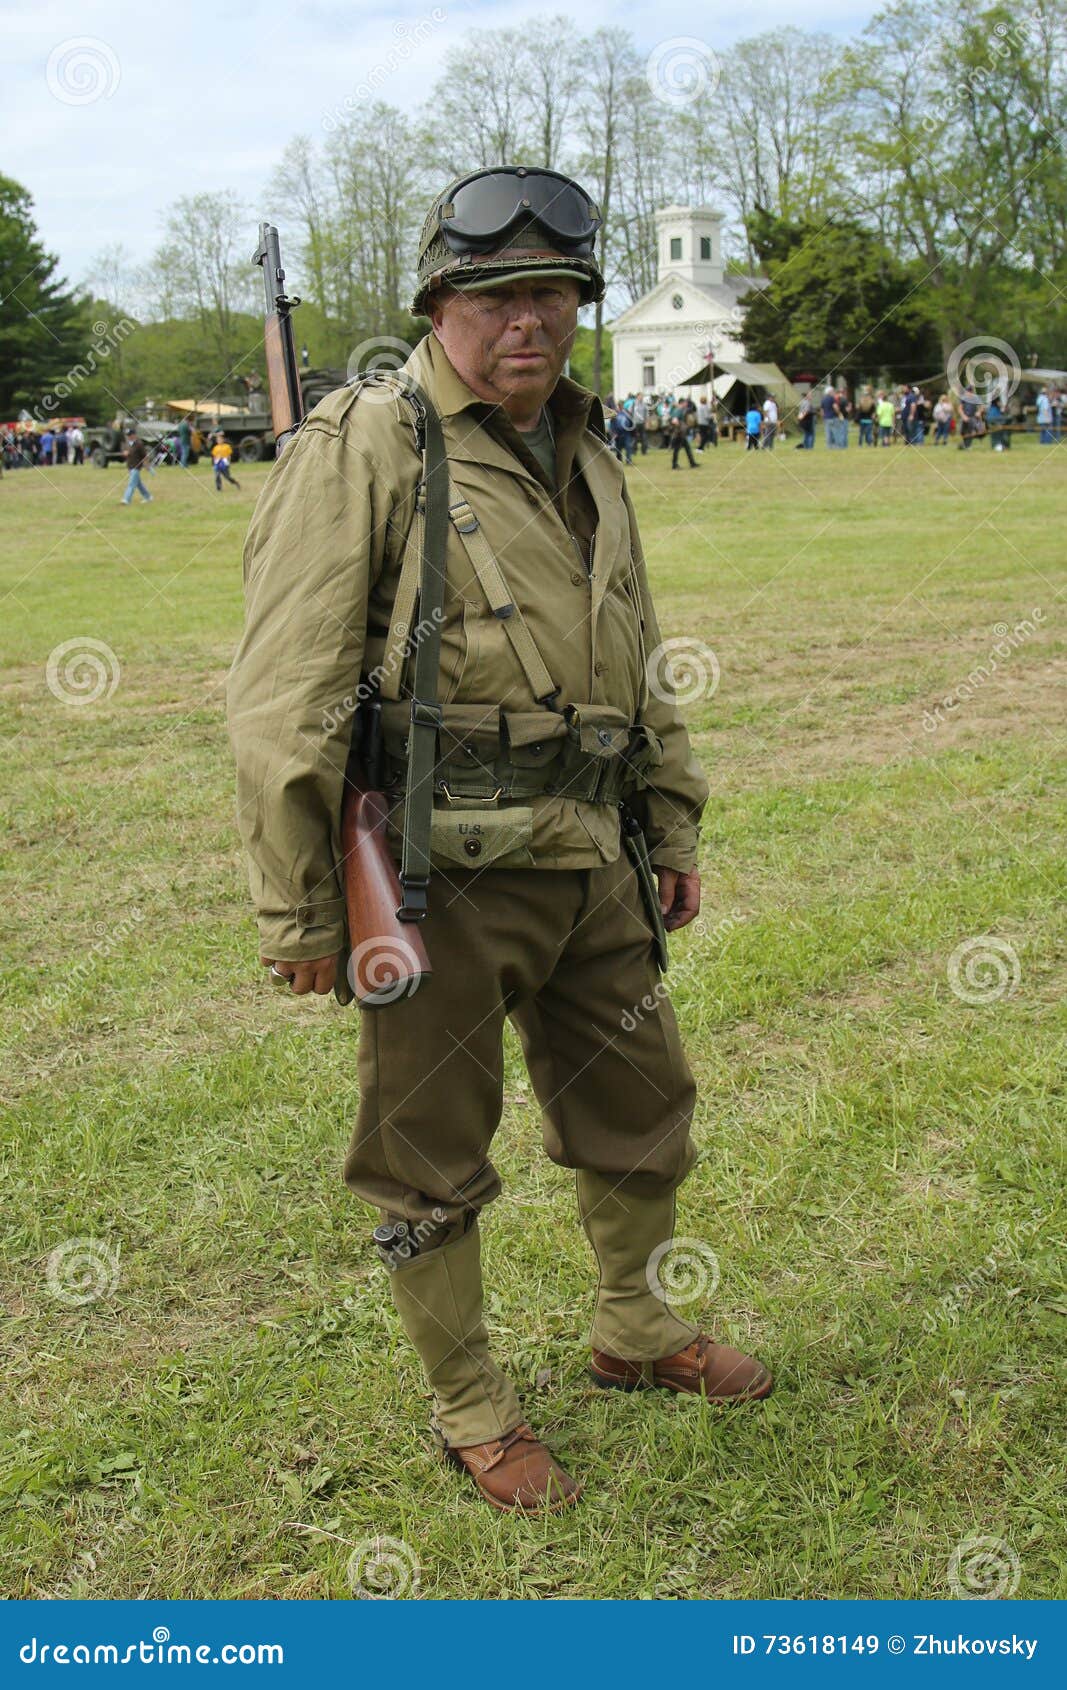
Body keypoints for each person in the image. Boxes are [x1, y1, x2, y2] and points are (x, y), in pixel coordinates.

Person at [226, 164, 771, 1516]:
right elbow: (282, 694)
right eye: (496, 295)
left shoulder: (582, 441)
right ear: (438, 302)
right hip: (434, 874)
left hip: (590, 853)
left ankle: (633, 1329)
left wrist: (668, 813)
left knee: (642, 1110)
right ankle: (469, 1400)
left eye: (552, 294)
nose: (527, 319)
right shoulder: (368, 440)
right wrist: (302, 912)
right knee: (426, 1154)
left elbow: (631, 648)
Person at [120, 430, 152, 503]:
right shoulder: (127, 443)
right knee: (138, 484)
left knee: (131, 484)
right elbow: (124, 451)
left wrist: (147, 465)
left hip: (136, 467)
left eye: (129, 435)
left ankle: (126, 499)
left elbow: (144, 456)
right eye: (127, 435)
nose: (128, 437)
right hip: (130, 467)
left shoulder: (139, 444)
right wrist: (125, 453)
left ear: (134, 435)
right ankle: (148, 496)